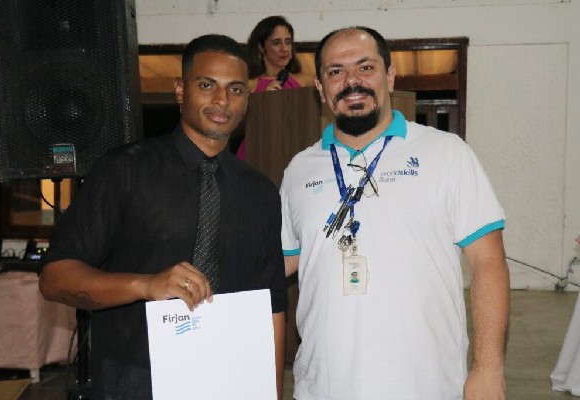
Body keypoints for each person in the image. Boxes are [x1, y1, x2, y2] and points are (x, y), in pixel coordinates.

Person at [40, 34, 287, 400]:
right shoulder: (124, 170)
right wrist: (146, 285)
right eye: (207, 85)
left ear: (247, 99)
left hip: (231, 376)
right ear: (180, 90)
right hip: (135, 378)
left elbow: (272, 306)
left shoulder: (261, 192)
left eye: (235, 89)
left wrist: (272, 391)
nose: (222, 100)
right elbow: (54, 278)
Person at [281, 26, 510, 400]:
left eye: (365, 67)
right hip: (323, 386)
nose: (351, 81)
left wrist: (488, 369)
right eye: (336, 71)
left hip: (426, 386)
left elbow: (488, 262)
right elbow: (279, 262)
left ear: (389, 76)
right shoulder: (299, 170)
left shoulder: (446, 153)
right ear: (320, 88)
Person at [235, 15, 314, 160]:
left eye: (288, 42)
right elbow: (235, 126)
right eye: (277, 43)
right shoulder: (248, 85)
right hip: (256, 154)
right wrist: (262, 102)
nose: (284, 49)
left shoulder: (307, 83)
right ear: (261, 47)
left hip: (294, 153)